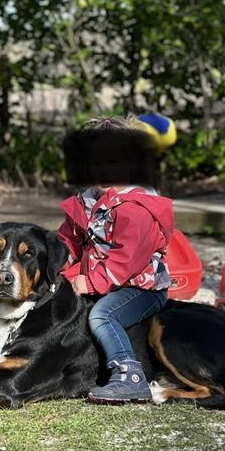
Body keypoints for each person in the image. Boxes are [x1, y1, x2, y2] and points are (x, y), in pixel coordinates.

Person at [57, 117, 175, 403]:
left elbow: (126, 260)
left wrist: (91, 282)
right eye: (97, 164)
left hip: (140, 288)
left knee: (102, 315)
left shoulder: (136, 208)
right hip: (106, 280)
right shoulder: (87, 200)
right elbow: (69, 239)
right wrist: (57, 266)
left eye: (115, 162)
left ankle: (128, 375)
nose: (105, 171)